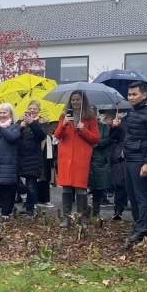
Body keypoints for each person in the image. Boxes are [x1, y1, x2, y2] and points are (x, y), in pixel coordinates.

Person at [122, 81, 147, 243]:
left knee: (142, 196)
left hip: (142, 160)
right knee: (132, 194)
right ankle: (138, 225)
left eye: (134, 94)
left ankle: (142, 230)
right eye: (129, 94)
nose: (131, 97)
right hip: (130, 158)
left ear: (144, 95)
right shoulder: (133, 112)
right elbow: (131, 135)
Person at [54, 90, 99, 229]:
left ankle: (81, 219)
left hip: (81, 158)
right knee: (66, 189)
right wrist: (64, 124)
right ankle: (66, 218)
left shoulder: (90, 118)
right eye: (73, 100)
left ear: (82, 101)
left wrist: (84, 129)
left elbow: (96, 138)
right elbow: (57, 135)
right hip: (66, 158)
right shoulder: (64, 116)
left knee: (81, 189)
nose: (75, 102)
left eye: (78, 99)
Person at [16, 100, 48, 218]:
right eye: (30, 108)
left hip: (33, 158)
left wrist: (32, 123)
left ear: (38, 110)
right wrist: (21, 126)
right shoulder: (21, 122)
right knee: (15, 182)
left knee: (31, 186)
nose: (32, 111)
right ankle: (23, 200)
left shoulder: (42, 122)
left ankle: (30, 210)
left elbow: (41, 136)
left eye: (35, 108)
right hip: (20, 156)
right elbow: (14, 135)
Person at [87, 106, 112, 218]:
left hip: (99, 160)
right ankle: (84, 210)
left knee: (98, 187)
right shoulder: (83, 126)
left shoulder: (103, 126)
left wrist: (96, 143)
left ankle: (96, 211)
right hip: (86, 158)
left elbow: (107, 140)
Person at [105, 110, 128, 220]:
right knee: (119, 184)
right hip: (119, 155)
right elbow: (111, 138)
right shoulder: (120, 121)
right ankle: (118, 210)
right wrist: (114, 127)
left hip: (135, 153)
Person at [35, 120, 57, 208]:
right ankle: (38, 199)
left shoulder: (50, 136)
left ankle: (44, 199)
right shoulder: (42, 133)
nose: (53, 128)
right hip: (41, 158)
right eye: (52, 126)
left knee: (46, 178)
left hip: (48, 159)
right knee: (39, 179)